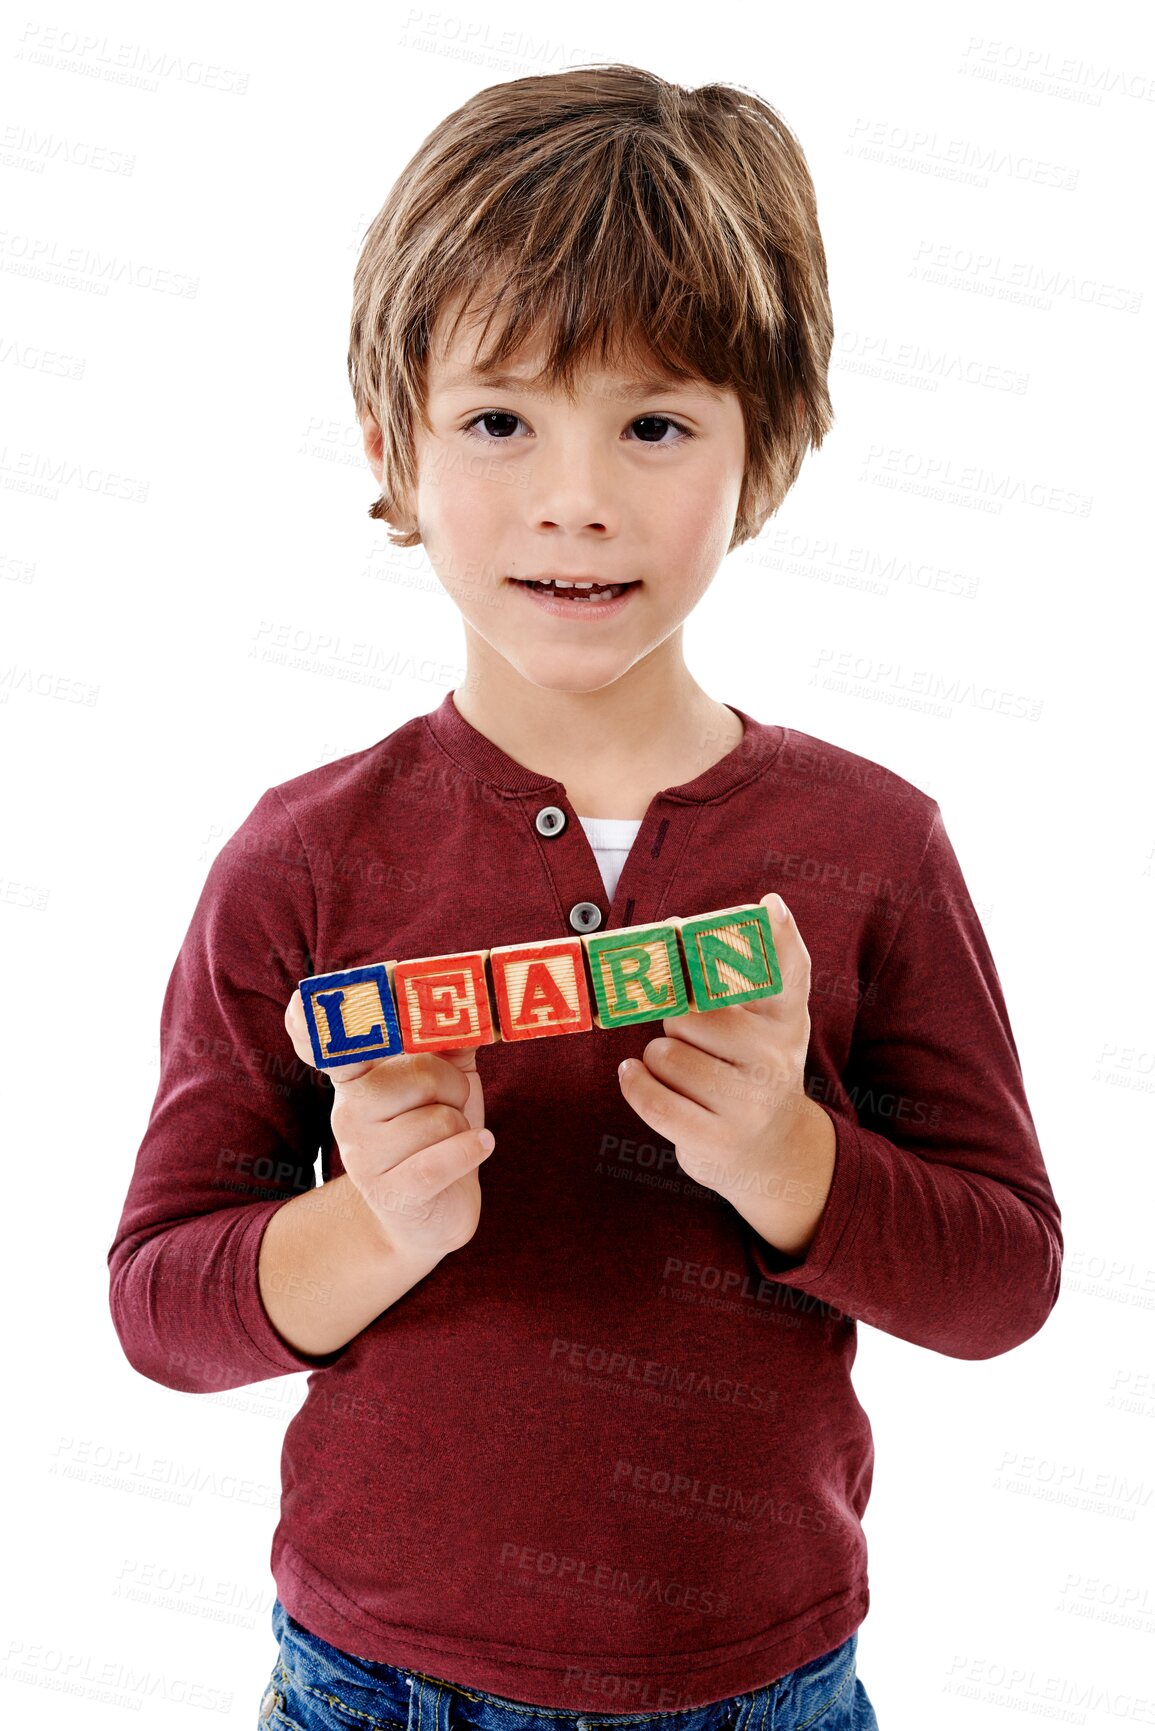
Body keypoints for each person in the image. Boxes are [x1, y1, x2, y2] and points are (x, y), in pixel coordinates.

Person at [107, 63, 1062, 1731]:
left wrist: (789, 1159)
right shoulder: (300, 856)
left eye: (657, 423)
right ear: (390, 441)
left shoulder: (879, 845)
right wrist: (368, 1223)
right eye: (499, 420)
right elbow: (161, 1306)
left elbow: (1005, 1282)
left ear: (766, 452)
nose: (577, 496)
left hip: (763, 1680)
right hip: (377, 1684)